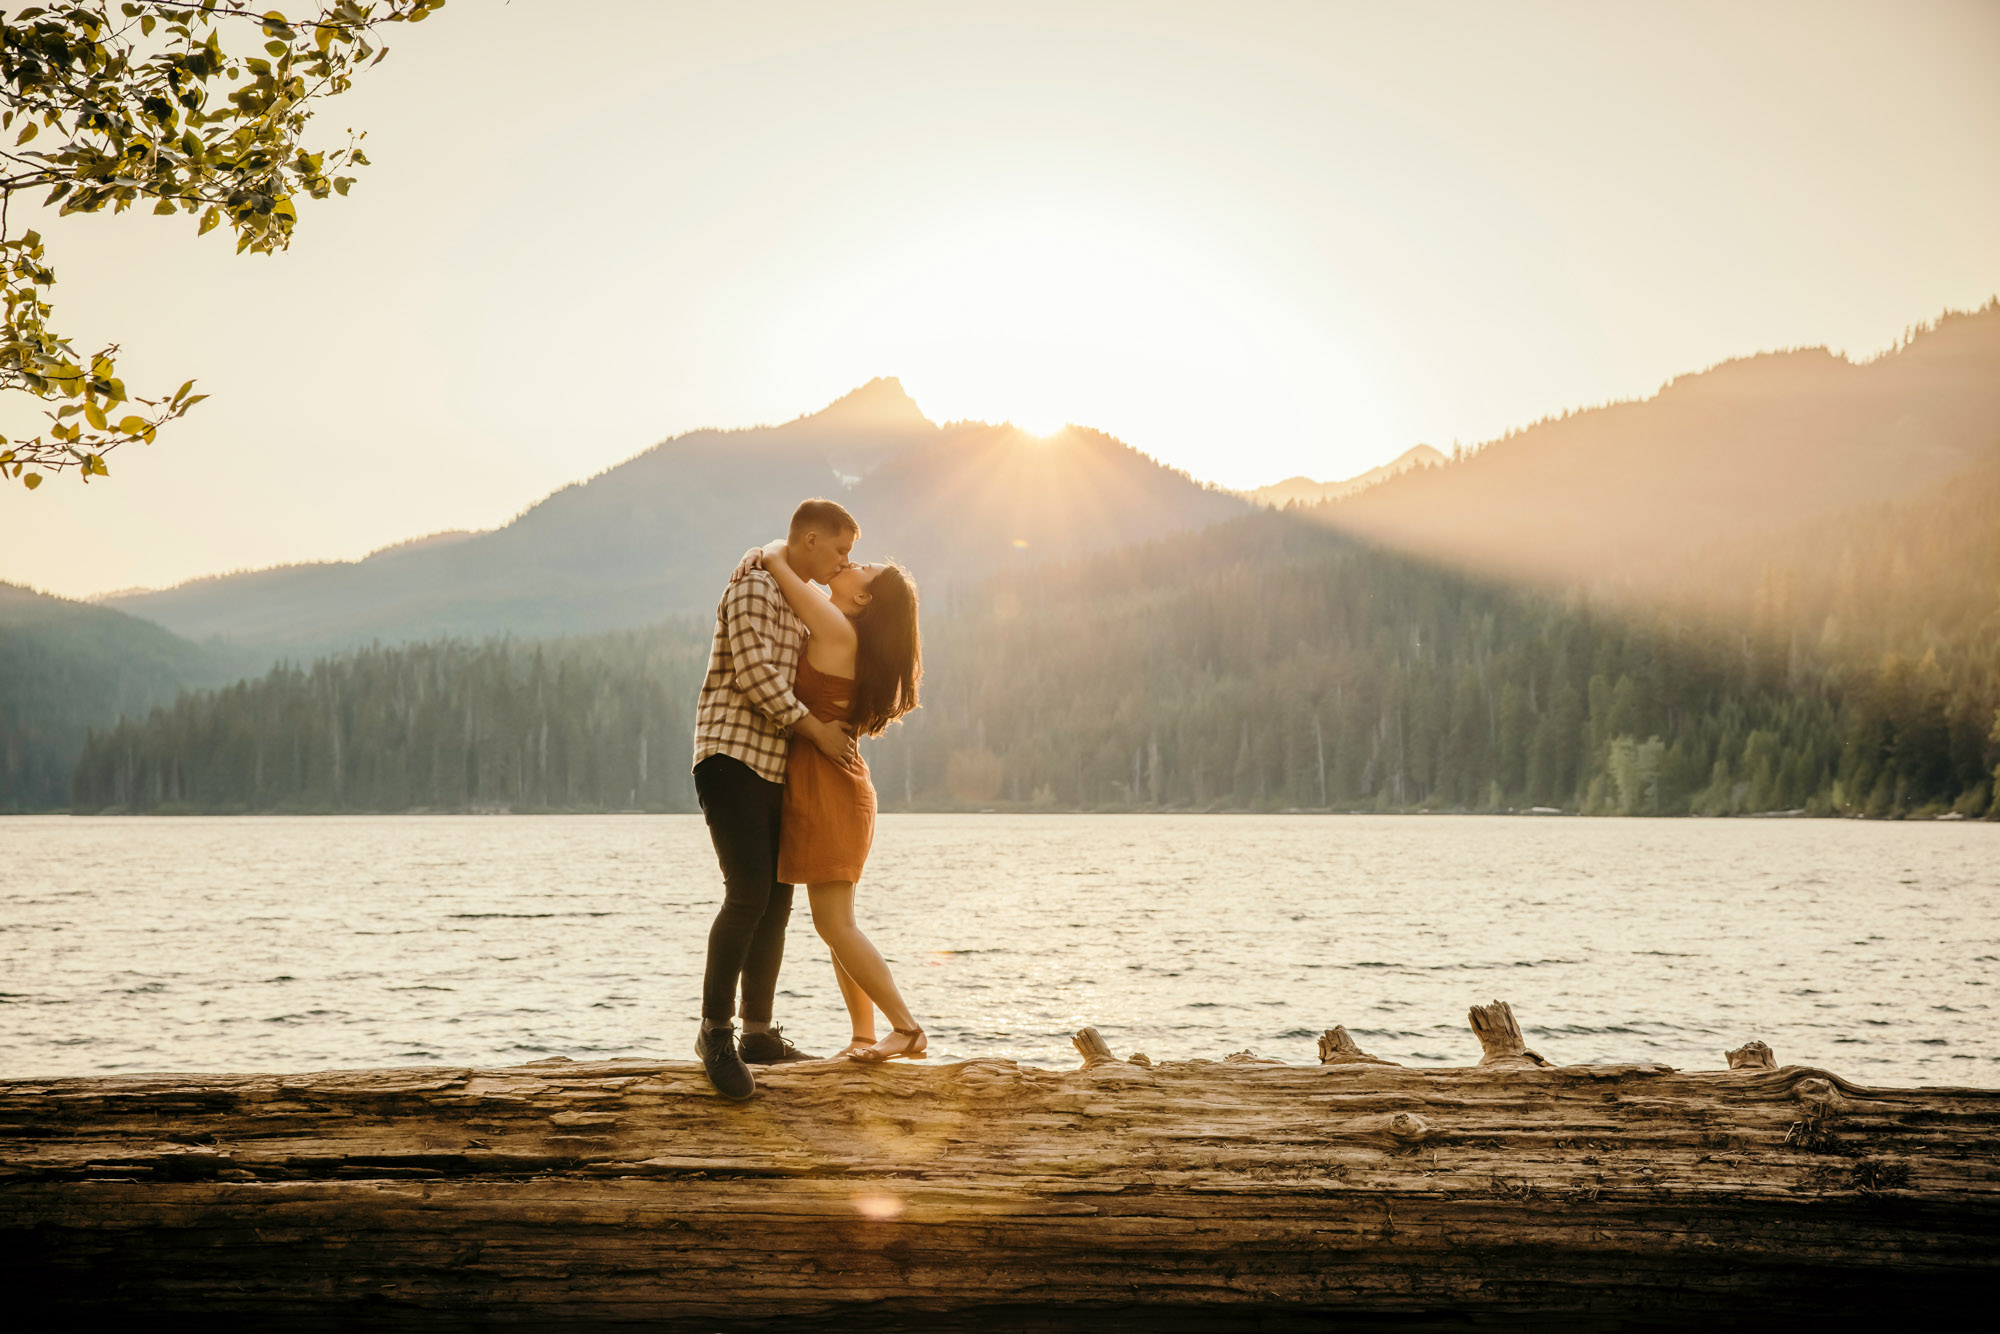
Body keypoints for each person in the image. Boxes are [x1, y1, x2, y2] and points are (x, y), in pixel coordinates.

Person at [691, 499, 862, 1101]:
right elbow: (755, 675)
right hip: (731, 757)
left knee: (778, 899)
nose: (846, 561)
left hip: (777, 770)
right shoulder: (754, 588)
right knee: (747, 893)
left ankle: (758, 1034)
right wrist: (815, 729)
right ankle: (715, 1031)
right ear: (811, 539)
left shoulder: (789, 589)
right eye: (840, 549)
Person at [752, 535, 927, 1063]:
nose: (851, 562)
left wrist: (783, 546)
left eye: (863, 567)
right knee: (835, 923)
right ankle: (863, 1035)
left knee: (835, 923)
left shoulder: (835, 628)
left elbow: (778, 566)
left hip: (831, 788)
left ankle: (908, 1029)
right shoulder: (846, 632)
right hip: (830, 784)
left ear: (864, 599)